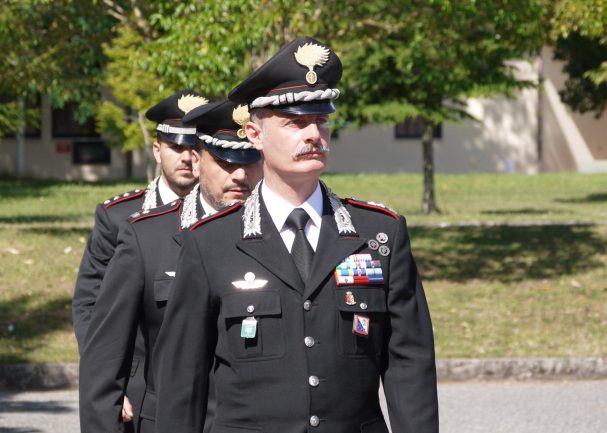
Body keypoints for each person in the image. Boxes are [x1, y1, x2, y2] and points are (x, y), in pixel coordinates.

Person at [154, 37, 438, 433]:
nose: (313, 134)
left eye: (320, 121)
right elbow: (182, 381)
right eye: (295, 123)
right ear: (254, 135)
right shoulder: (209, 243)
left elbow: (410, 366)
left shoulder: (378, 234)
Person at [78, 100, 263, 433]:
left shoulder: (279, 236)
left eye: (250, 160)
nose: (239, 174)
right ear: (199, 159)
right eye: (224, 160)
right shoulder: (143, 235)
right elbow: (102, 354)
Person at [72, 89, 208, 428]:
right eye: (177, 147)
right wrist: (109, 381)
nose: (187, 158)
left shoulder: (229, 214)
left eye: (195, 148)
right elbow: (90, 305)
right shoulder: (119, 218)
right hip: (138, 380)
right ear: (157, 149)